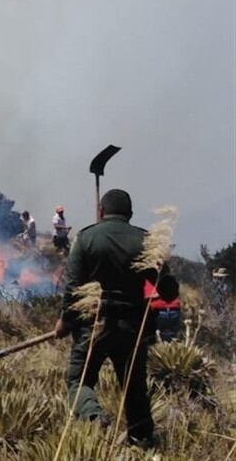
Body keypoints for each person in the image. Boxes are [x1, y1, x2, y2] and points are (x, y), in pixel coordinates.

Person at [54, 189, 179, 447]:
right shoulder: (146, 242)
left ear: (101, 211)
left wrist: (65, 322)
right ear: (130, 215)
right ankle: (142, 441)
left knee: (79, 382)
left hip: (93, 326)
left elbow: (74, 289)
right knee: (134, 388)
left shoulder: (85, 239)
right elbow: (167, 292)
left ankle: (93, 416)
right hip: (133, 330)